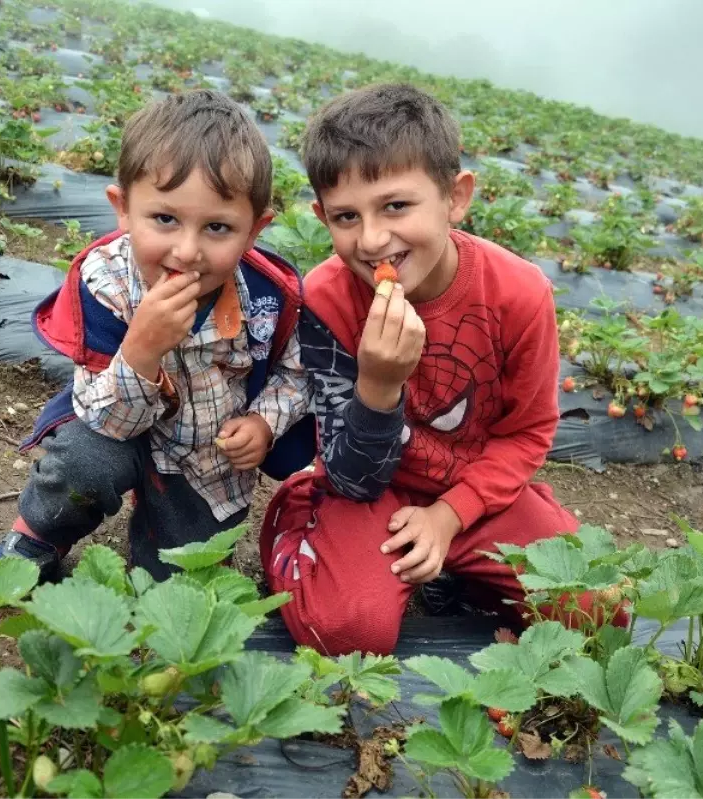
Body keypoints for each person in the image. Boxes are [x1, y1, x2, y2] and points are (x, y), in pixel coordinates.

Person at [260, 83, 625, 655]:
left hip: (472, 493)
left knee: (599, 614)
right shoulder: (327, 299)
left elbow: (527, 432)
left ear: (456, 198)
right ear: (320, 217)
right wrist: (379, 387)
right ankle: (296, 522)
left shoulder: (519, 295)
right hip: (366, 492)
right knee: (348, 633)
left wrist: (450, 517)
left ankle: (472, 557)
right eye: (346, 217)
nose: (373, 238)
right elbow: (352, 473)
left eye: (396, 205)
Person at [0, 90, 315, 582]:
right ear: (123, 209)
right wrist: (141, 349)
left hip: (209, 454)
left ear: (254, 230)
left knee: (174, 581)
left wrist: (264, 424)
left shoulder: (269, 296)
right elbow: (106, 421)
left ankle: (161, 547)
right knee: (81, 467)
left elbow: (296, 372)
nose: (187, 250)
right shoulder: (104, 285)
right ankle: (34, 539)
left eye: (218, 227)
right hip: (115, 427)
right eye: (164, 219)